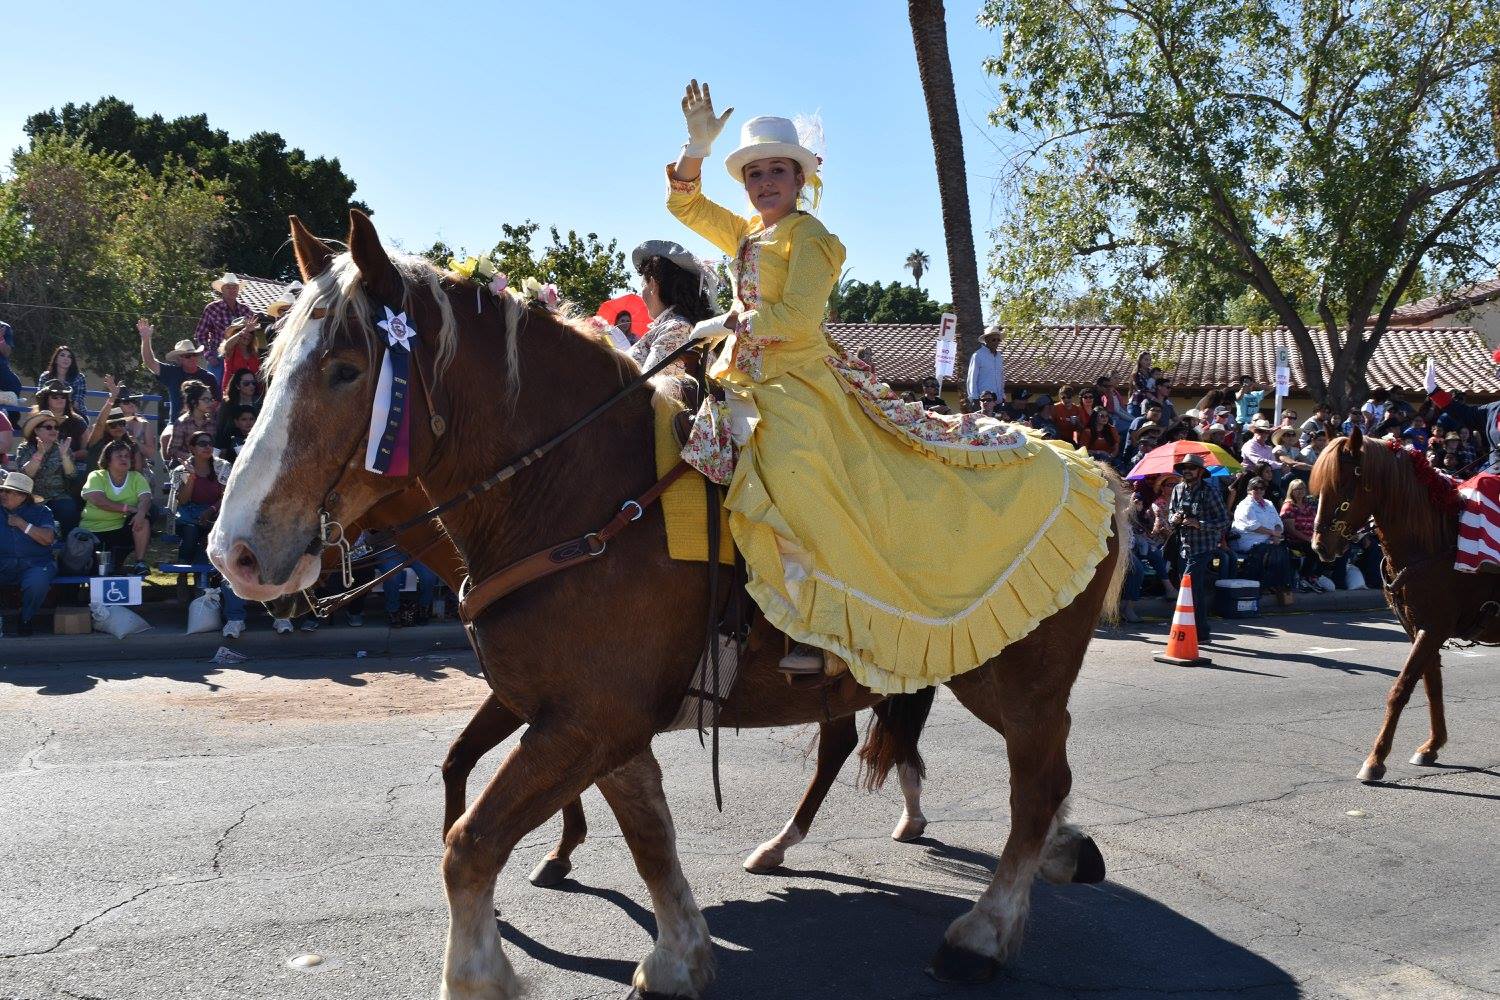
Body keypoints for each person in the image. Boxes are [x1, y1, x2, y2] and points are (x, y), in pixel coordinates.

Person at [664, 80, 1112, 691]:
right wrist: (696, 148)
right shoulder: (747, 234)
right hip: (737, 379)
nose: (765, 182)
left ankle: (821, 630)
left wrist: (731, 321)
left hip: (799, 381)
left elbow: (796, 320)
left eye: (777, 171)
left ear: (800, 180)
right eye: (755, 174)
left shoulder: (812, 239)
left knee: (797, 473)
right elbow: (685, 206)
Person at [626, 239, 717, 375]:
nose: (641, 293)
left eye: (642, 285)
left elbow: (649, 390)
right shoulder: (678, 326)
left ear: (652, 283)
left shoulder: (677, 328)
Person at [1167, 454, 1229, 643]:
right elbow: (1170, 513)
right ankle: (1198, 632)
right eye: (1185, 467)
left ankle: (1197, 632)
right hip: (1182, 545)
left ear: (1200, 472)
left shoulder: (1210, 491)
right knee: (1192, 589)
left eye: (1192, 468)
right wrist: (1174, 519)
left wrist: (1198, 523)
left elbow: (1223, 521)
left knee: (1190, 587)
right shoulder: (1177, 489)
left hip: (1203, 546)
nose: (1187, 470)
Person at [79, 440, 153, 574]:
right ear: (108, 460)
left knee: (144, 519)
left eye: (127, 456)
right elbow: (98, 500)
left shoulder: (136, 477)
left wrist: (141, 512)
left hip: (122, 531)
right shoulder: (96, 476)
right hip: (94, 531)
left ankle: (140, 563)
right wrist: (128, 508)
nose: (124, 459)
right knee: (97, 572)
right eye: (119, 455)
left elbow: (146, 498)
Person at [0, 472, 58, 636]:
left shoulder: (41, 512)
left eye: (8, 491)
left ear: (23, 496)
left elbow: (48, 539)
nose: (3, 494)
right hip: (3, 563)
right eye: (2, 491)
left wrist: (22, 524)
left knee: (38, 581)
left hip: (35, 564)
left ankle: (26, 619)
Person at [138, 319, 221, 422]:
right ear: (179, 359)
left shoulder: (208, 377)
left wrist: (199, 411)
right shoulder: (172, 373)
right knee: (165, 438)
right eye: (187, 356)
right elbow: (150, 362)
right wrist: (146, 339)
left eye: (194, 355)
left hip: (203, 424)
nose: (192, 358)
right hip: (175, 424)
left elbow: (217, 401)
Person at [167, 431, 230, 563]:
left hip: (216, 514)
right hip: (188, 515)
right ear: (192, 448)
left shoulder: (222, 467)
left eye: (210, 444)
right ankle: (183, 570)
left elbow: (226, 496)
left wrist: (210, 510)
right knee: (191, 532)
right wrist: (191, 476)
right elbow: (183, 500)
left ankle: (209, 577)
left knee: (212, 534)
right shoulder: (181, 470)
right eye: (202, 444)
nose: (207, 447)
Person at [14, 408, 79, 535]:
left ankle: (66, 546)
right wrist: (39, 454)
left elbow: (72, 475)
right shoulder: (25, 448)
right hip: (32, 497)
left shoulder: (62, 447)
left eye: (56, 428)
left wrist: (64, 456)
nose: (54, 430)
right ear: (37, 430)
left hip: (58, 496)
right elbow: (25, 476)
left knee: (68, 508)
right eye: (49, 427)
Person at [1231, 477, 1295, 605]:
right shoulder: (1245, 505)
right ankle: (1264, 586)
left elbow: (1278, 523)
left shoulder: (1269, 504)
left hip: (1269, 539)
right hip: (1248, 539)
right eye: (1255, 488)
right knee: (1266, 551)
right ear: (1249, 490)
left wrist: (1276, 536)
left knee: (1284, 551)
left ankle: (1280, 586)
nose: (1259, 491)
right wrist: (1273, 534)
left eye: (1262, 488)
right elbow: (1253, 526)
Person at [194, 273, 254, 382]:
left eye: (235, 287)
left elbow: (253, 333)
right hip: (219, 356)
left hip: (240, 355)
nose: (232, 290)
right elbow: (200, 335)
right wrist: (209, 356)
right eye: (228, 287)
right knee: (216, 390)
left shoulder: (245, 310)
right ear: (222, 290)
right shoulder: (212, 308)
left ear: (238, 290)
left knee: (240, 389)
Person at [1278, 479, 1327, 592]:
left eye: (1302, 488)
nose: (1300, 491)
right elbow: (1291, 529)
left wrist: (1316, 537)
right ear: (1291, 491)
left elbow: (1316, 523)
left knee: (1328, 549)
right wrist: (1309, 539)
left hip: (1310, 538)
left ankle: (1314, 577)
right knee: (1314, 550)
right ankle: (1304, 577)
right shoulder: (1288, 506)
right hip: (1295, 540)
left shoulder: (1308, 505)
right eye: (1297, 489)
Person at [161, 380, 217, 467]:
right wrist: (193, 457)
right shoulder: (182, 423)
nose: (210, 403)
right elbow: (173, 450)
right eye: (205, 399)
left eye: (211, 399)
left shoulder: (212, 423)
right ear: (193, 402)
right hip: (186, 466)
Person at [33, 381, 89, 462]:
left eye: (63, 396)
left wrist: (66, 456)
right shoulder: (35, 421)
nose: (60, 399)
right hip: (41, 465)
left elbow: (86, 451)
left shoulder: (78, 422)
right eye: (55, 396)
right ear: (46, 399)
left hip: (71, 465)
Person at [38, 345, 90, 418]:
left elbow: (77, 402)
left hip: (75, 414)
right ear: (56, 359)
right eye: (62, 355)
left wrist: (61, 415)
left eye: (69, 357)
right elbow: (41, 398)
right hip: (49, 413)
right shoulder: (45, 376)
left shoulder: (79, 378)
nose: (66, 359)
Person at [219, 314, 264, 385]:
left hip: (254, 393)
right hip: (233, 393)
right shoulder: (231, 350)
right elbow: (227, 346)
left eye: (250, 332)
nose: (248, 334)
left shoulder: (254, 353)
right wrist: (244, 330)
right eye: (244, 331)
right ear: (235, 334)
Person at [966, 325, 1005, 402]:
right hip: (984, 400)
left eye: (998, 340)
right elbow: (972, 378)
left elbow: (1001, 377)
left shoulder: (999, 357)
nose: (996, 342)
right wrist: (974, 398)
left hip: (998, 400)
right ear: (986, 340)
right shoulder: (978, 355)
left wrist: (1002, 395)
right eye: (994, 339)